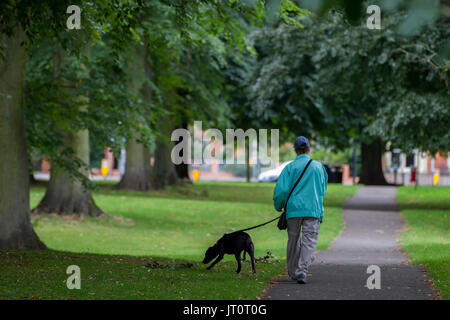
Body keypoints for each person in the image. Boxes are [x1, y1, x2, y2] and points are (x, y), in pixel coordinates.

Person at [273, 136, 328, 284]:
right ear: (308, 149)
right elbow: (322, 190)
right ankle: (303, 270)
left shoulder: (290, 167)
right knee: (309, 241)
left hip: (294, 210)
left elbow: (281, 191)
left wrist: (279, 206)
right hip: (313, 210)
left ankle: (293, 271)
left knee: (293, 240)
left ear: (295, 150)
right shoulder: (319, 167)